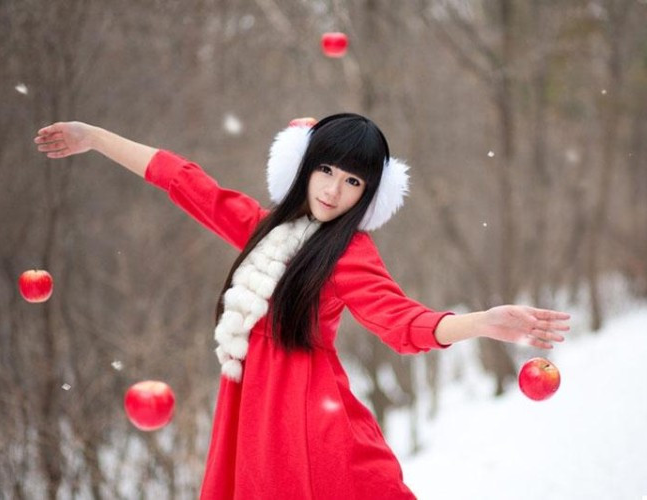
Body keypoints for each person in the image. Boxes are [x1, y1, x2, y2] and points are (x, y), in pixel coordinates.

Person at [33, 113, 570, 499]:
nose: (335, 191)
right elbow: (183, 181)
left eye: (353, 181)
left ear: (368, 194)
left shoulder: (349, 253)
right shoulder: (262, 228)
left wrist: (484, 322)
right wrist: (96, 138)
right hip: (251, 416)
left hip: (305, 424)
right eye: (328, 171)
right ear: (306, 166)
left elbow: (402, 323)